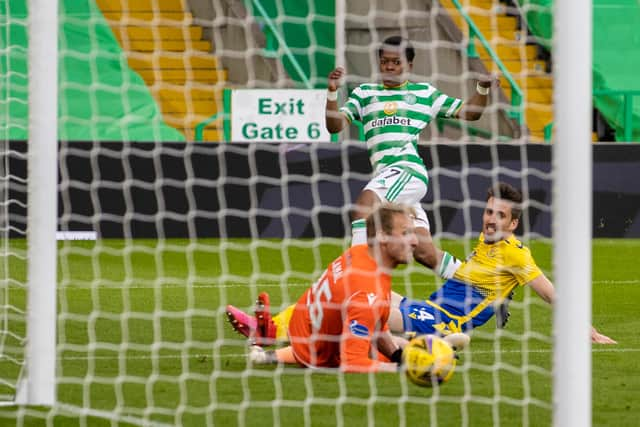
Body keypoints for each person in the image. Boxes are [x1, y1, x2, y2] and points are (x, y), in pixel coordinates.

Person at [227, 183, 616, 346]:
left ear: (513, 223)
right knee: (343, 286)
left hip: (442, 321)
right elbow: (471, 278)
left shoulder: (518, 254)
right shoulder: (486, 242)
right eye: (488, 212)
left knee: (354, 308)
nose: (490, 219)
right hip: (426, 308)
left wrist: (588, 330)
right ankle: (268, 326)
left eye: (500, 216)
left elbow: (551, 294)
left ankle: (278, 339)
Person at [325, 35, 496, 279]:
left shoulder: (424, 94)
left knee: (365, 205)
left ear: (410, 65)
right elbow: (334, 126)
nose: (390, 67)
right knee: (423, 251)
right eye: (385, 62)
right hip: (388, 178)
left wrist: (483, 88)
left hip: (407, 171)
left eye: (396, 62)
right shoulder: (365, 93)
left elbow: (470, 113)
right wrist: (332, 95)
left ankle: (355, 275)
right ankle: (481, 284)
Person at [243, 203, 418, 372]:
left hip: (304, 327)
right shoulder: (366, 290)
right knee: (413, 348)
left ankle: (267, 354)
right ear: (382, 236)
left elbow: (376, 321)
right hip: (319, 355)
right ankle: (271, 345)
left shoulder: (359, 253)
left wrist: (397, 356)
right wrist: (401, 369)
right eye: (406, 233)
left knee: (401, 347)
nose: (415, 241)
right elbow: (354, 363)